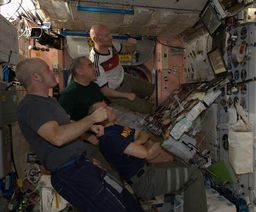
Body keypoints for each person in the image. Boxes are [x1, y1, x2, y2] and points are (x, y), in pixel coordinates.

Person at [16, 58, 144, 212]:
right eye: (47, 69)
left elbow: (67, 124)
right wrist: (92, 118)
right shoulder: (32, 106)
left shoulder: (48, 101)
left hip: (81, 163)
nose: (52, 71)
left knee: (124, 197)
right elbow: (57, 137)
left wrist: (88, 132)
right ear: (36, 77)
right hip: (70, 173)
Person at [90, 101, 208, 212]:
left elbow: (141, 134)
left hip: (147, 170)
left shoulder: (116, 129)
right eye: (106, 108)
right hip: (144, 181)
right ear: (99, 118)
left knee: (181, 166)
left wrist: (133, 145)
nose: (110, 108)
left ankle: (170, 208)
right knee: (194, 175)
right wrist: (162, 139)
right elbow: (146, 154)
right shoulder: (110, 137)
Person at [89, 24, 154, 114]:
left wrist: (133, 44)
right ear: (96, 39)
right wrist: (127, 95)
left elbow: (126, 49)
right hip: (117, 92)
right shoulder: (95, 63)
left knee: (152, 89)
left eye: (109, 34)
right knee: (148, 109)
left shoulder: (111, 46)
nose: (111, 37)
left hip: (125, 78)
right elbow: (105, 91)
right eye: (107, 35)